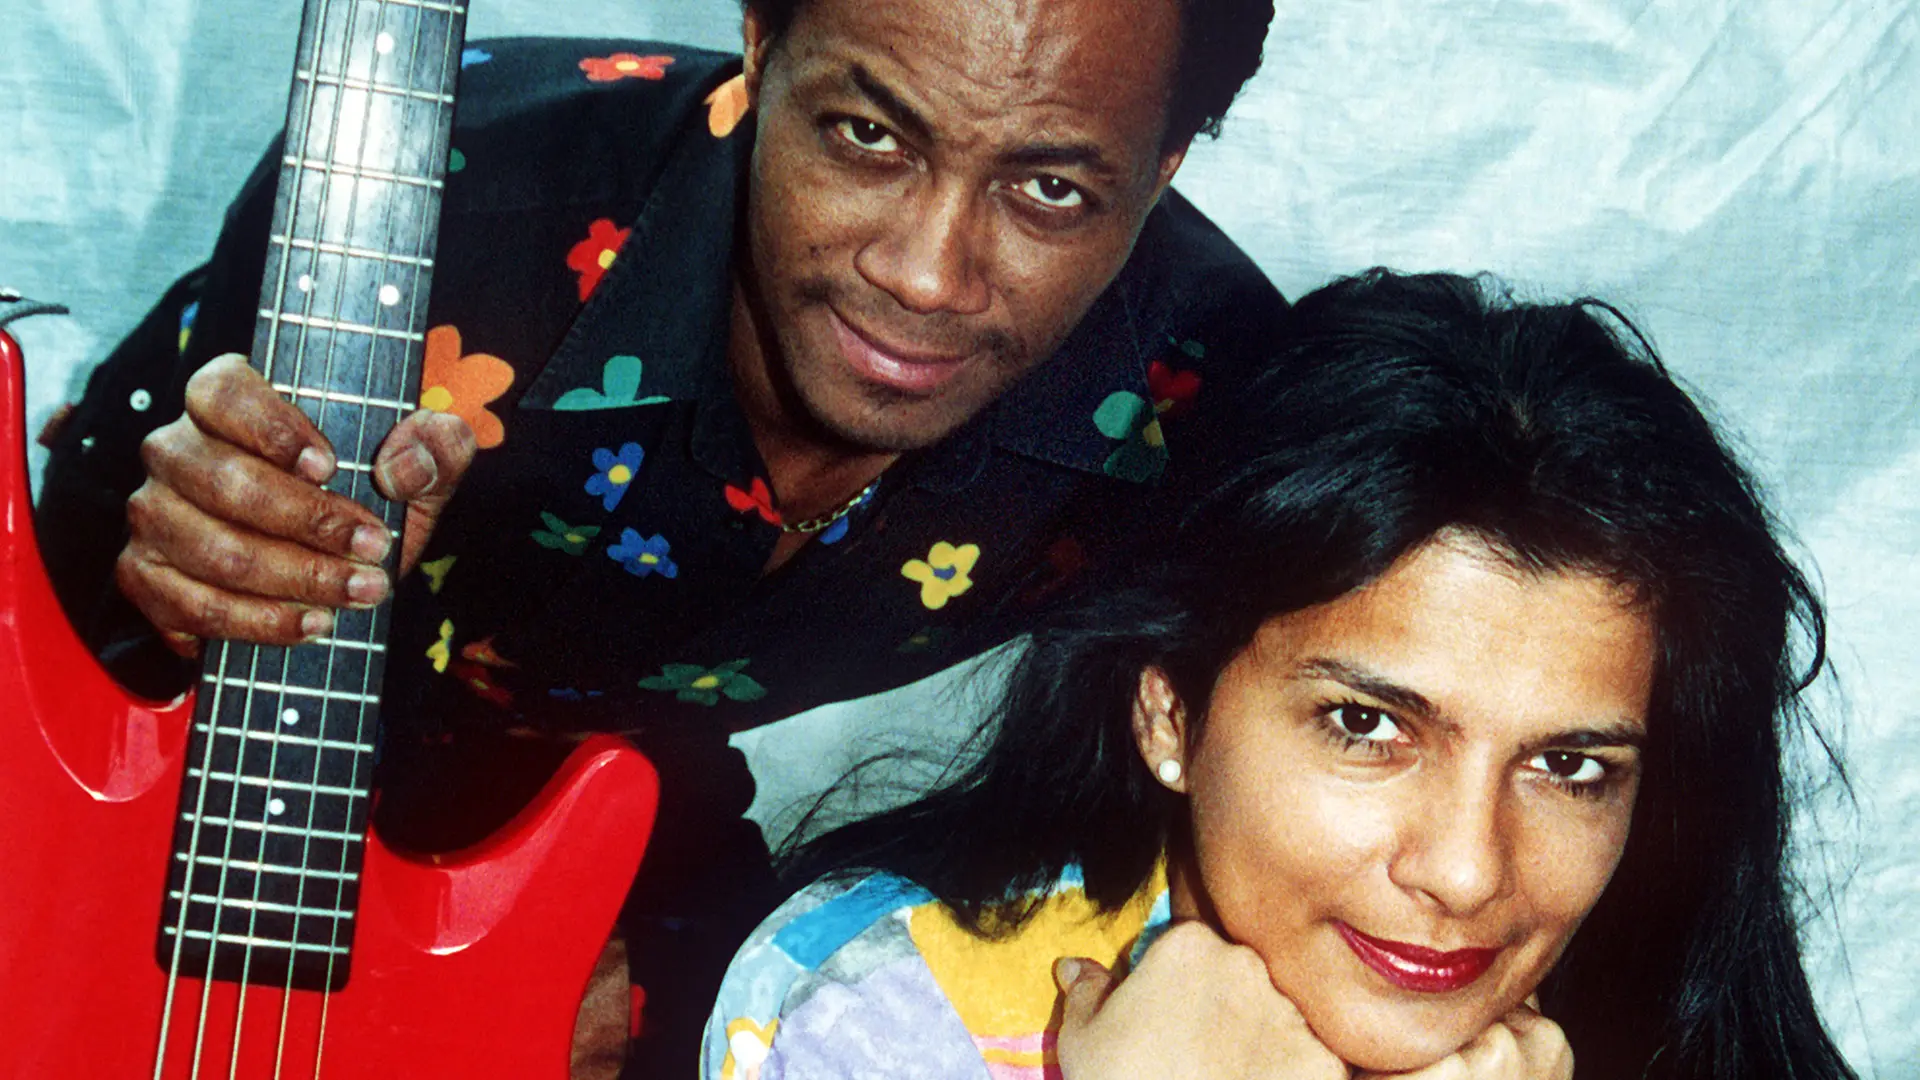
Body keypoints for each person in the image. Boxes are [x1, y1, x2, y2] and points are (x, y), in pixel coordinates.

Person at [31, 0, 1283, 1071]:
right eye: (867, 134)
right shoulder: (419, 206)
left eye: (1050, 189)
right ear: (760, 42)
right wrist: (204, 576)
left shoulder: (1213, 398)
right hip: (221, 784)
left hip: (630, 801)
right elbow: (65, 652)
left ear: (1163, 164)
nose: (926, 274)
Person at [703, 270, 1859, 1080]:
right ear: (1169, 709)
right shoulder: (887, 1014)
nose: (1466, 872)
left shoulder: (1661, 1025)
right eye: (1367, 726)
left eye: (1569, 766)